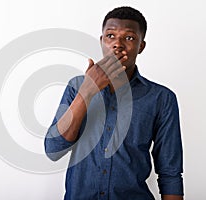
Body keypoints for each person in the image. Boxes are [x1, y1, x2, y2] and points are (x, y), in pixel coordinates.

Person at [44, 6, 184, 200]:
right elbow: (53, 150)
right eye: (110, 36)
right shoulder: (76, 87)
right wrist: (87, 91)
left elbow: (170, 173)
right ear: (102, 41)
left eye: (129, 38)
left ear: (141, 46)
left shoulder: (161, 98)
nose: (117, 44)